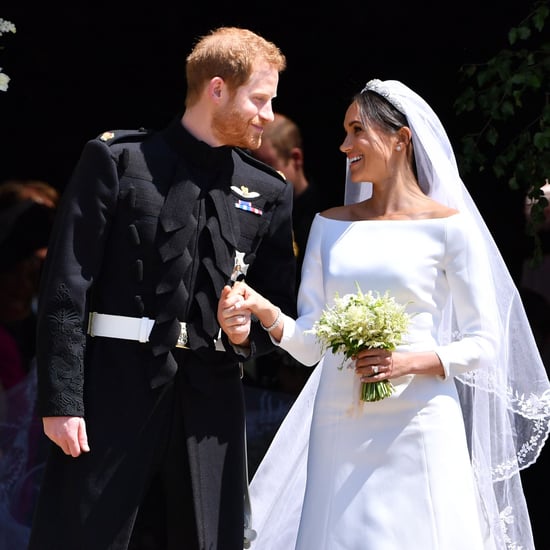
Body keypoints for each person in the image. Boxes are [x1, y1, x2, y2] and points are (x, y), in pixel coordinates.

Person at [217, 79, 550, 549]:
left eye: (357, 130)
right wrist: (265, 311)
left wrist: (408, 361)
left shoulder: (449, 229)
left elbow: (485, 342)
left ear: (401, 138)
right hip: (339, 420)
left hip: (420, 419)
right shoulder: (328, 226)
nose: (344, 145)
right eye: (345, 131)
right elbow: (312, 345)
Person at [27, 27, 296, 550]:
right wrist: (62, 399)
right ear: (216, 89)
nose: (268, 115)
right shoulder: (118, 161)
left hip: (211, 405)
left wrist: (246, 331)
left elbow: (277, 306)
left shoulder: (269, 190)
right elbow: (66, 287)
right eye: (259, 100)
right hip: (112, 391)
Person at [249, 113, 325, 395]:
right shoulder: (250, 208)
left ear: (295, 158)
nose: (258, 176)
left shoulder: (326, 217)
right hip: (260, 357)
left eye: (267, 165)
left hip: (308, 357)